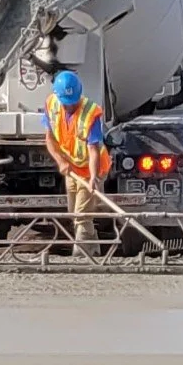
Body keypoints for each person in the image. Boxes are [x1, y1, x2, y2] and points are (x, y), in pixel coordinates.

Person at [41, 69, 110, 248]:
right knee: (74, 213)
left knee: (82, 214)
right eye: (65, 103)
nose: (68, 106)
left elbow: (93, 149)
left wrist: (94, 176)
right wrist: (61, 161)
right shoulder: (52, 105)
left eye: (72, 103)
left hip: (90, 168)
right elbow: (49, 139)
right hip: (71, 167)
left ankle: (82, 256)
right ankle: (94, 249)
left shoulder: (90, 113)